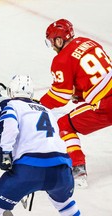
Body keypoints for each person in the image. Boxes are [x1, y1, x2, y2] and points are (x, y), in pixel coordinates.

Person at [0, 75, 80, 216]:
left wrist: (5, 152)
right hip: (61, 170)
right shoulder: (47, 111)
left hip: (29, 170)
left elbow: (10, 125)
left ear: (11, 92)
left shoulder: (10, 104)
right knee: (66, 206)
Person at [40, 18, 112, 187]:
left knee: (64, 124)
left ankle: (78, 169)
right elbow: (98, 74)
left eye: (52, 42)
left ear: (59, 40)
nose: (52, 46)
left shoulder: (61, 60)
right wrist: (80, 94)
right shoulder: (89, 42)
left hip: (106, 105)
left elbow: (59, 97)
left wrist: (39, 105)